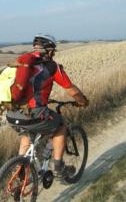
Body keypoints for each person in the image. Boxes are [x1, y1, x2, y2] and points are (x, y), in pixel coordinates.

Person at [6, 33, 89, 178]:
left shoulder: (22, 62)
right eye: (53, 51)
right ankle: (58, 166)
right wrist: (82, 101)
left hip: (12, 114)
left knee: (27, 132)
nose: (54, 54)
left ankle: (20, 169)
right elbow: (71, 90)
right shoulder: (51, 66)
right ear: (49, 50)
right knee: (61, 125)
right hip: (35, 114)